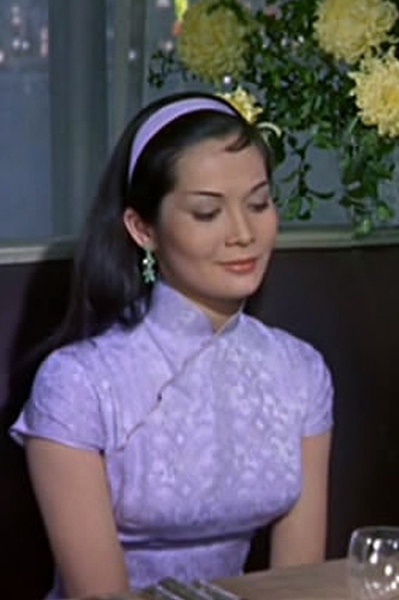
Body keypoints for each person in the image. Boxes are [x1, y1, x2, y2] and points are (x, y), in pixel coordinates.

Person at [9, 91, 334, 598]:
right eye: (207, 212)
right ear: (143, 229)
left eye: (258, 204)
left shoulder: (299, 371)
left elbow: (298, 585)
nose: (243, 233)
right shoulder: (77, 384)